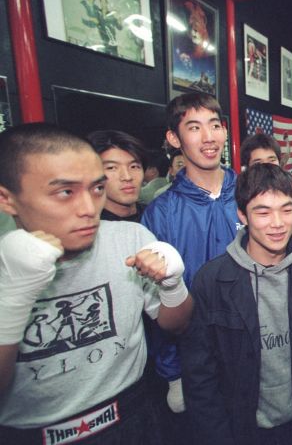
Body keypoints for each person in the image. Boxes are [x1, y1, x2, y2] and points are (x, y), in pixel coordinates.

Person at [0, 123, 193, 444]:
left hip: (132, 413)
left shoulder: (131, 237)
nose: (89, 209)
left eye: (96, 189)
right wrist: (13, 300)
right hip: (31, 433)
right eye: (65, 192)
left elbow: (178, 325)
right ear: (7, 199)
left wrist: (173, 284)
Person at [180, 164, 292, 445]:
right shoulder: (212, 281)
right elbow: (200, 372)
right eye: (263, 212)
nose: (278, 223)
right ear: (241, 215)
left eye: (286, 210)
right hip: (240, 427)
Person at [141, 92, 241, 415]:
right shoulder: (161, 213)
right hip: (197, 362)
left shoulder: (249, 193)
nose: (209, 137)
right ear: (174, 138)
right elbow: (156, 302)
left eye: (215, 125)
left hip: (253, 350)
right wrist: (173, 374)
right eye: (195, 127)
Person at [87, 130, 148, 222]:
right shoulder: (88, 227)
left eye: (134, 166)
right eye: (111, 168)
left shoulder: (158, 216)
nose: (127, 177)